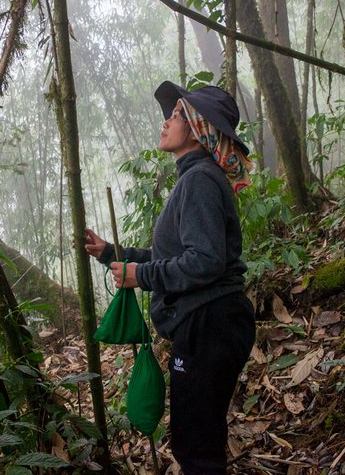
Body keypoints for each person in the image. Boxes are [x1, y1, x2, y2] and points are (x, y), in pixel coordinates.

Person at [85, 81, 256, 474]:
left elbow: (205, 262)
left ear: (198, 127)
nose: (166, 121)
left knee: (196, 449)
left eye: (177, 115)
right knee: (197, 441)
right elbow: (176, 257)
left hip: (210, 324)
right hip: (209, 323)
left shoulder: (199, 181)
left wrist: (139, 275)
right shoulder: (195, 179)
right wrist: (114, 255)